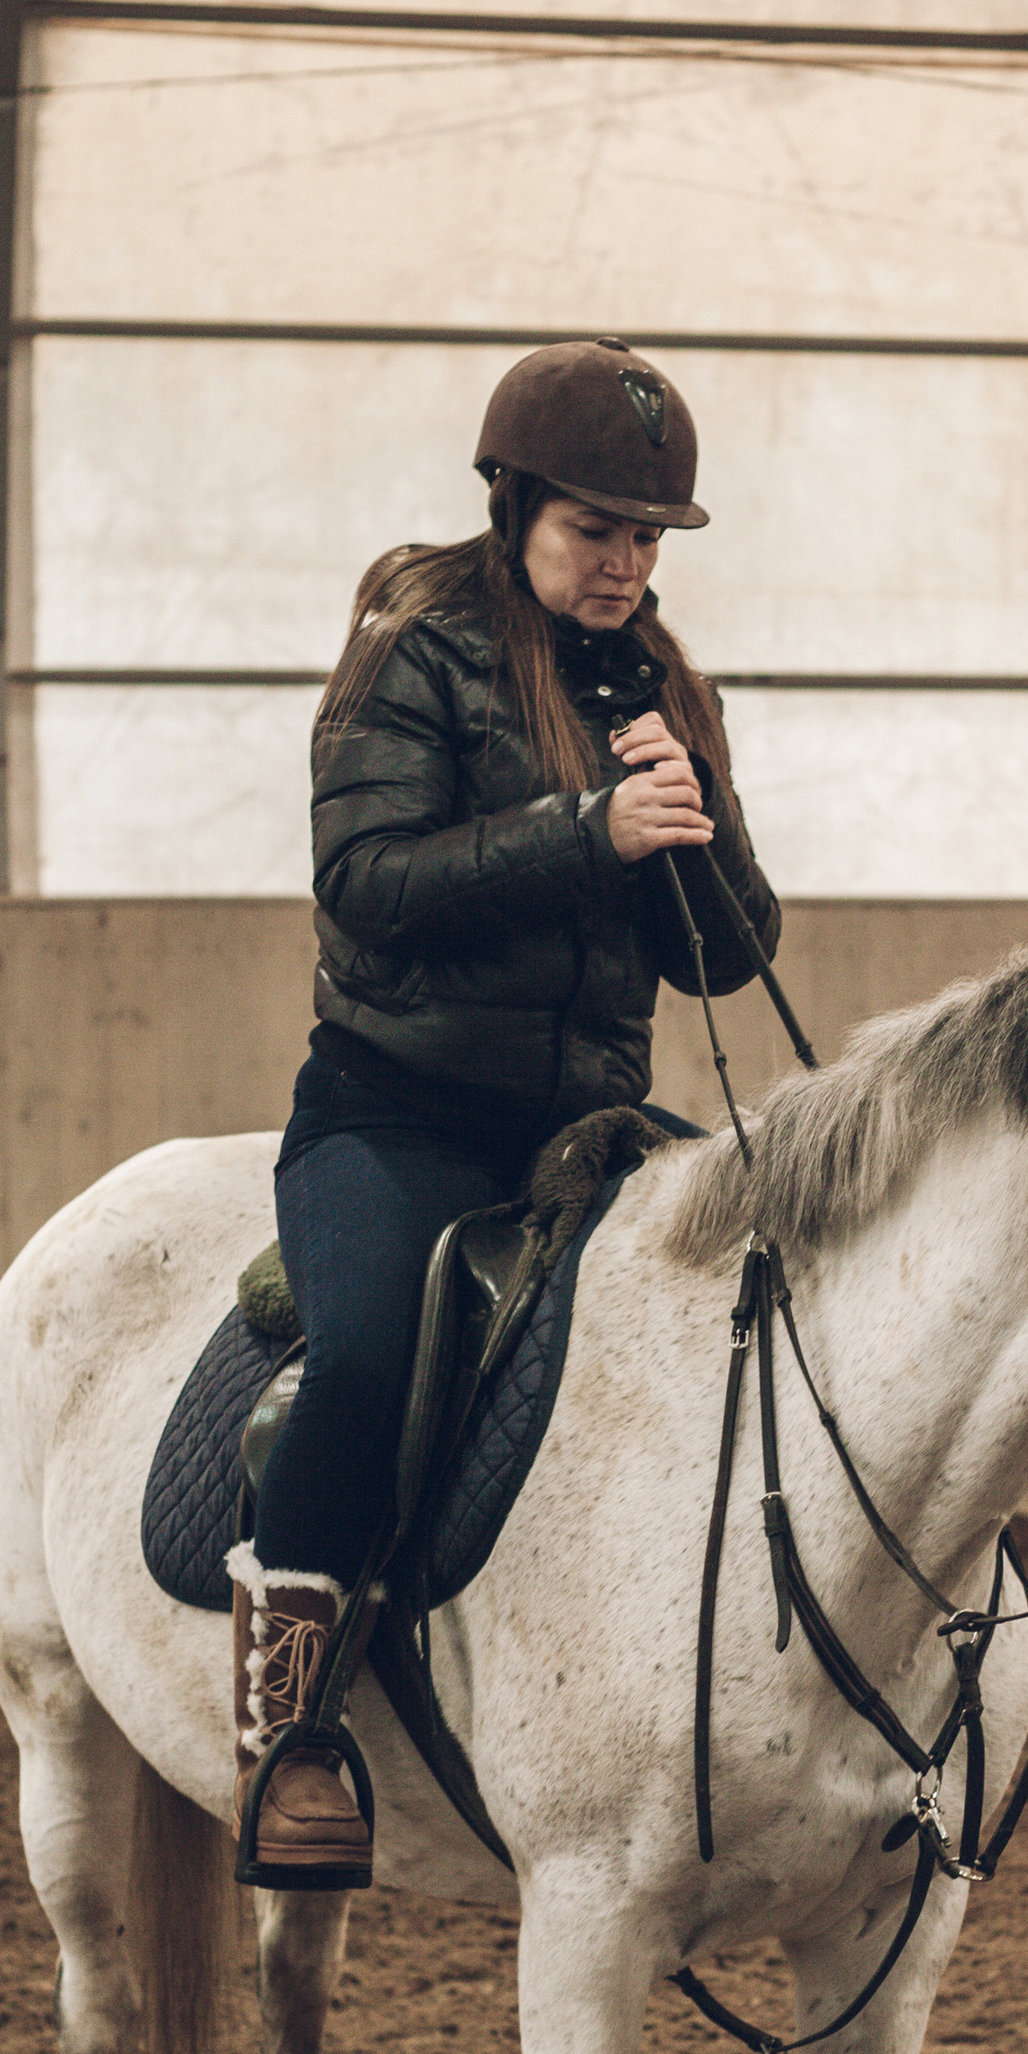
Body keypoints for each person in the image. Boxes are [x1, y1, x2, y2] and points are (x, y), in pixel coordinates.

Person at [229, 338, 781, 1889]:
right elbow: (368, 892)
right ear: (515, 503)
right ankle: (296, 1727)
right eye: (596, 530)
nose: (624, 565)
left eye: (648, 538)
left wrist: (696, 825)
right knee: (364, 1362)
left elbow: (728, 956)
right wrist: (583, 831)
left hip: (588, 1134)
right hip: (393, 1115)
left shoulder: (664, 684)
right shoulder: (414, 651)